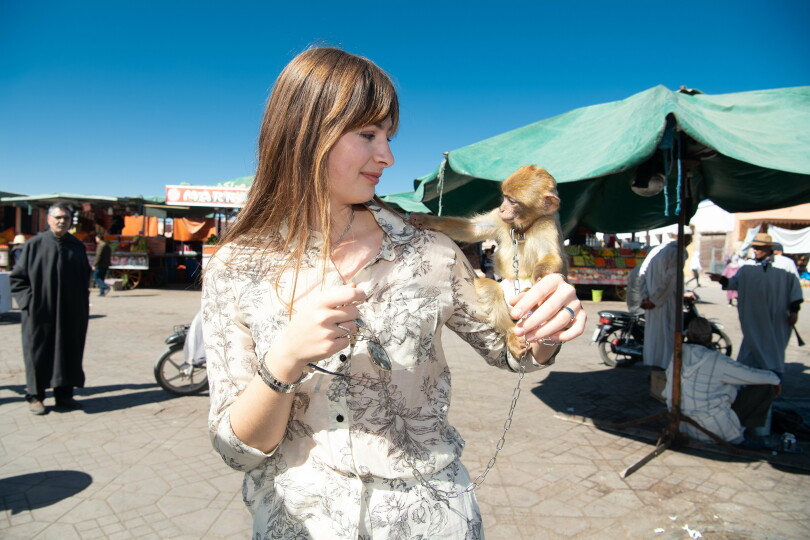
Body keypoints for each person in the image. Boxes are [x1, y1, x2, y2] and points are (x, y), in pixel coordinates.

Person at [201, 47, 585, 539]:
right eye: (367, 135)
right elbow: (237, 450)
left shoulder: (433, 252)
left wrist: (546, 325)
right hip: (299, 522)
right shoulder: (238, 265)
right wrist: (285, 360)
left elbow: (516, 355)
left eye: (388, 136)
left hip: (431, 520)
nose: (387, 156)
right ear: (304, 132)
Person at [709, 233, 803, 434]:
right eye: (756, 247)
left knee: (773, 355)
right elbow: (734, 284)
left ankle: (770, 391)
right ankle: (746, 409)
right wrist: (722, 279)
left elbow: (795, 289)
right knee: (749, 359)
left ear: (770, 248)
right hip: (753, 322)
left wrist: (794, 310)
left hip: (777, 321)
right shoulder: (747, 267)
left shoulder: (786, 265)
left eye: (761, 247)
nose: (757, 250)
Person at [10, 203, 91, 415]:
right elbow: (17, 279)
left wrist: (82, 305)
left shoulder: (76, 246)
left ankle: (64, 395)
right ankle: (36, 397)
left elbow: (85, 279)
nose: (62, 221)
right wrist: (28, 302)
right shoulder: (34, 245)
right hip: (39, 312)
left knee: (68, 351)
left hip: (70, 312)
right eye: (58, 217)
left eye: (66, 218)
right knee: (38, 353)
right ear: (48, 219)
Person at [665, 317, 780, 445]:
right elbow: (755, 375)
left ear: (687, 335)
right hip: (714, 429)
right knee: (766, 387)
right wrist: (775, 380)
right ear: (710, 337)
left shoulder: (676, 356)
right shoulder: (718, 360)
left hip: (682, 425)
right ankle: (753, 433)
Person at [639, 231, 692, 369]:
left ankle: (654, 368)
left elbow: (641, 274)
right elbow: (671, 279)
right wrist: (655, 300)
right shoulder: (678, 252)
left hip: (652, 302)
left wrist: (646, 297)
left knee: (654, 338)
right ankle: (666, 371)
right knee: (668, 337)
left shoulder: (656, 250)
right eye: (689, 238)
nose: (690, 241)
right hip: (666, 302)